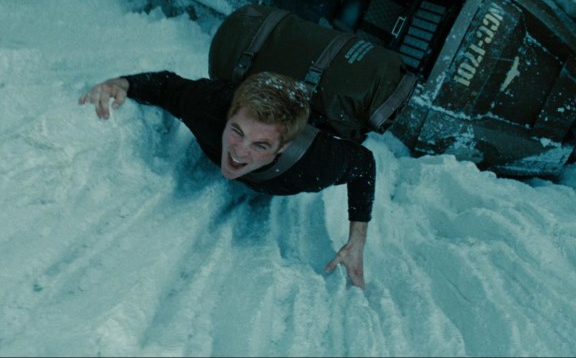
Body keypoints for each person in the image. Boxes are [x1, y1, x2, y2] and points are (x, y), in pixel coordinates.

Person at [79, 70, 375, 289]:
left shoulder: (314, 165)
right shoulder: (206, 107)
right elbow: (167, 86)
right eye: (237, 131)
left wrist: (357, 240)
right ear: (229, 116)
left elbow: (364, 165)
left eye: (261, 145)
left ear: (283, 147)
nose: (239, 152)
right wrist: (121, 83)